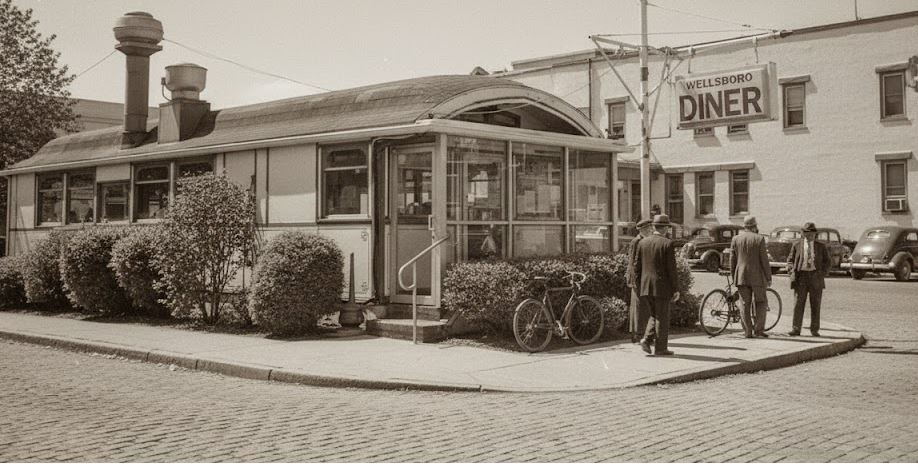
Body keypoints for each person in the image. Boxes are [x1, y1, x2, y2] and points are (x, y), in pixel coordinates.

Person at [636, 214, 680, 356]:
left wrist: (639, 285)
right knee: (662, 317)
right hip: (661, 286)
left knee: (654, 314)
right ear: (665, 228)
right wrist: (675, 289)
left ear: (654, 227)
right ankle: (660, 348)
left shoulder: (643, 242)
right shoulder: (667, 243)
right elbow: (671, 269)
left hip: (645, 285)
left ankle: (647, 340)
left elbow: (637, 267)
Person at [729, 215, 772, 338]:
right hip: (757, 277)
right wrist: (768, 277)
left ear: (744, 227)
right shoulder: (759, 239)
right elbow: (764, 260)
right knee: (761, 302)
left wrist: (734, 276)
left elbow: (732, 260)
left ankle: (747, 331)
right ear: (754, 226)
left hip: (741, 276)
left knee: (744, 304)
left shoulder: (736, 239)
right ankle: (759, 330)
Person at [786, 222, 830, 337]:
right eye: (806, 233)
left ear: (815, 234)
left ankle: (814, 329)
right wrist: (791, 271)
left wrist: (821, 274)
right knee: (798, 304)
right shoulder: (797, 245)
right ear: (802, 233)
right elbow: (790, 260)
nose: (809, 235)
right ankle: (796, 329)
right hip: (801, 277)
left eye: (811, 233)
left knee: (815, 304)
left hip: (816, 277)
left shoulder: (821, 246)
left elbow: (827, 262)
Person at [627, 219, 653, 343]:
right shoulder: (636, 241)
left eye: (650, 228)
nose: (650, 230)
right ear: (641, 230)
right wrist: (633, 279)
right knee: (638, 306)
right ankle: (637, 334)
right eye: (647, 229)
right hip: (638, 278)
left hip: (644, 277)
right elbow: (632, 262)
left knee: (644, 306)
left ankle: (642, 333)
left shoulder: (646, 240)